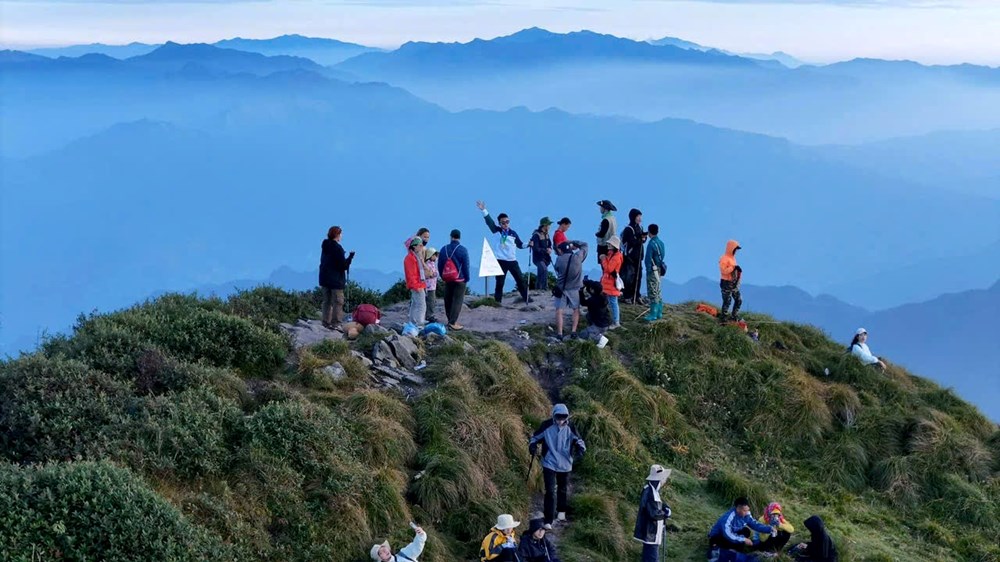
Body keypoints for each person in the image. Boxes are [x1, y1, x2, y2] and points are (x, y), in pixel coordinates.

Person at [528, 404, 586, 529]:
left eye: (563, 418)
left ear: (567, 417)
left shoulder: (571, 427)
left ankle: (561, 513)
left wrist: (580, 449)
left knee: (562, 489)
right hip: (549, 462)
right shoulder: (546, 425)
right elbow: (535, 437)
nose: (561, 421)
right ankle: (548, 519)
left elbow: (579, 440)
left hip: (565, 463)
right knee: (550, 490)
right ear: (554, 415)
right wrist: (532, 446)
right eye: (558, 417)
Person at [476, 201, 531, 304]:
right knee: (500, 283)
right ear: (499, 223)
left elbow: (520, 245)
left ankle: (526, 298)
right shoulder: (496, 231)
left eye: (507, 222)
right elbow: (489, 222)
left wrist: (528, 244)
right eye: (503, 222)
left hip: (512, 261)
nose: (506, 224)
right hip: (500, 261)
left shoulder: (513, 233)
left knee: (520, 281)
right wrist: (484, 210)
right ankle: (498, 302)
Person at [707, 497, 774, 562]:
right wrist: (743, 539)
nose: (747, 512)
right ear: (738, 509)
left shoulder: (746, 514)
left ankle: (734, 551)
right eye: (744, 510)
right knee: (719, 542)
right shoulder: (728, 518)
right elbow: (727, 534)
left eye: (747, 510)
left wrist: (769, 529)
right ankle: (724, 551)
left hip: (733, 534)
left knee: (746, 531)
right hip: (720, 536)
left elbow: (755, 525)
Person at [633, 464, 672, 562]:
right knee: (652, 558)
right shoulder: (649, 492)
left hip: (651, 533)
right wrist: (666, 514)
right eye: (663, 478)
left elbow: (658, 504)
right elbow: (653, 513)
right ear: (659, 479)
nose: (664, 481)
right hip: (650, 533)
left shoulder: (652, 490)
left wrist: (665, 507)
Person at [319, 226, 354, 330]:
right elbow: (343, 266)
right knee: (338, 302)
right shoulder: (338, 248)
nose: (341, 236)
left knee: (327, 301)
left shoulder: (325, 245)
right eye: (341, 234)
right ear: (337, 235)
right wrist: (350, 258)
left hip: (324, 278)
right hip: (336, 280)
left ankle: (325, 322)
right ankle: (336, 323)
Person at [552, 240, 588, 338]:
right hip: (575, 288)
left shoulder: (559, 259)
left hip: (561, 289)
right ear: (571, 248)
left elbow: (557, 268)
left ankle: (560, 333)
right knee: (576, 309)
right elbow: (585, 244)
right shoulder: (578, 257)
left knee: (559, 310)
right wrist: (572, 242)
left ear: (561, 250)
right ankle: (573, 331)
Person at [438, 229, 470, 331]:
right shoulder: (463, 250)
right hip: (460, 279)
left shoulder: (444, 249)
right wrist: (467, 278)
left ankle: (449, 319)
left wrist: (443, 276)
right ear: (459, 237)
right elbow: (466, 266)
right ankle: (452, 322)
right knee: (457, 300)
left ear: (451, 236)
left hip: (448, 278)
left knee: (448, 299)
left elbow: (440, 265)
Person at [621, 208, 646, 304]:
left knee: (638, 276)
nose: (640, 219)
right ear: (633, 217)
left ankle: (636, 295)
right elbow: (632, 242)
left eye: (640, 217)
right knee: (629, 277)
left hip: (638, 257)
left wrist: (643, 239)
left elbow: (640, 241)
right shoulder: (628, 229)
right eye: (638, 216)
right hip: (630, 257)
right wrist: (641, 239)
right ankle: (627, 296)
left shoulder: (640, 228)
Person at [579, 278, 612, 348]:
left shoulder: (593, 300)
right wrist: (587, 282)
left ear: (593, 290)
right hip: (606, 322)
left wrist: (581, 291)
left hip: (600, 325)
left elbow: (583, 302)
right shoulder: (603, 296)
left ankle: (601, 339)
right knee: (588, 315)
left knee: (582, 334)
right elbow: (593, 289)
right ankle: (599, 331)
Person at [643, 224, 666, 322]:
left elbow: (648, 259)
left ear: (649, 232)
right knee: (658, 290)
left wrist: (648, 270)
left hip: (652, 270)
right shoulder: (661, 243)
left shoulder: (651, 244)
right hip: (659, 269)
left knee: (652, 291)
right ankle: (659, 312)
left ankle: (653, 314)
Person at [599, 236, 623, 328]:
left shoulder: (616, 257)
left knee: (613, 302)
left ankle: (616, 322)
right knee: (608, 301)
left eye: (610, 243)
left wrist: (603, 259)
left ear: (614, 245)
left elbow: (608, 269)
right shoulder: (612, 254)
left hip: (611, 282)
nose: (608, 244)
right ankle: (610, 319)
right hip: (608, 282)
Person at [404, 237, 427, 327]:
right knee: (421, 305)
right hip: (417, 285)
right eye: (420, 245)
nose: (421, 247)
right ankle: (419, 323)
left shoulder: (415, 257)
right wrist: (416, 286)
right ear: (414, 246)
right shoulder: (411, 258)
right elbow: (411, 274)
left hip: (418, 284)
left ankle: (412, 322)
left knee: (415, 304)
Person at [718, 240, 743, 322]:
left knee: (738, 300)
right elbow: (723, 271)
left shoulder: (733, 258)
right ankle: (723, 319)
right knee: (727, 301)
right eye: (735, 249)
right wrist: (733, 267)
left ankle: (734, 316)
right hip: (726, 283)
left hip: (733, 283)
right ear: (731, 248)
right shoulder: (724, 258)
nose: (736, 251)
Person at [529, 217, 554, 290]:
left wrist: (550, 249)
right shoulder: (536, 235)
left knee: (541, 273)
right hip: (538, 258)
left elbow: (549, 244)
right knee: (544, 270)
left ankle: (538, 289)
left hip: (545, 258)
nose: (549, 226)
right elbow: (535, 248)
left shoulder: (546, 234)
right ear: (544, 225)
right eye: (548, 224)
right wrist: (546, 250)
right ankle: (544, 288)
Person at [423, 247, 439, 324]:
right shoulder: (428, 264)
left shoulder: (432, 264)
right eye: (435, 255)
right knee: (431, 301)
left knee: (432, 301)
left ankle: (429, 315)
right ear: (431, 255)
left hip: (432, 286)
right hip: (429, 286)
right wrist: (434, 274)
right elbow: (430, 274)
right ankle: (429, 316)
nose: (436, 257)